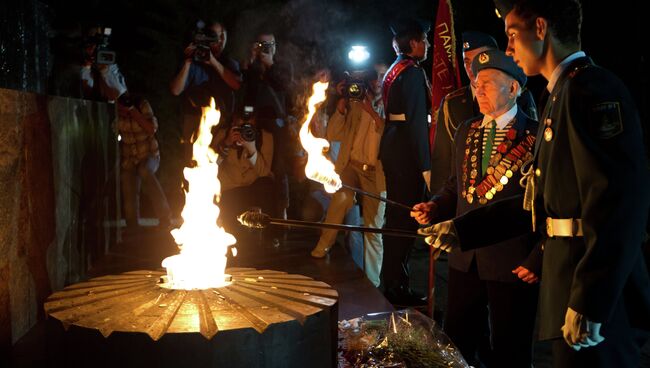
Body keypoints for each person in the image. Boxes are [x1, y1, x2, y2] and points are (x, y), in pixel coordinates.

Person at [422, 0, 650, 366]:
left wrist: (591, 297)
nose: (508, 47)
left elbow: (620, 205)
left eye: (513, 35)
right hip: (565, 281)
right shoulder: (557, 96)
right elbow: (537, 201)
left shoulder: (592, 90)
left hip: (587, 285)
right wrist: (462, 230)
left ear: (540, 29)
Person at [412, 49, 540, 367]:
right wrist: (436, 206)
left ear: (513, 89)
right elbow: (457, 186)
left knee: (511, 348)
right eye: (476, 83)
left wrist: (538, 257)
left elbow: (545, 204)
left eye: (487, 83)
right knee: (458, 341)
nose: (478, 90)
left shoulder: (536, 136)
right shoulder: (467, 131)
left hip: (511, 260)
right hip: (465, 258)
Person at [429, 31, 537, 194]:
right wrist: (437, 205)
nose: (472, 68)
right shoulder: (452, 104)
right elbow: (443, 162)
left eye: (478, 59)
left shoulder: (522, 98)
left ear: (513, 89)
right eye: (466, 61)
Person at [310, 69, 387, 288]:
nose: (378, 82)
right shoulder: (355, 100)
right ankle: (322, 247)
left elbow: (388, 130)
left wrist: (370, 111)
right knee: (341, 199)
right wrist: (341, 109)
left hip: (376, 173)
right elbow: (334, 134)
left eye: (383, 76)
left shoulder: (391, 104)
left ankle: (372, 281)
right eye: (375, 77)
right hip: (352, 167)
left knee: (374, 227)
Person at [378, 17, 432, 305]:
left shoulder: (396, 68)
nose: (428, 44)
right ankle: (396, 286)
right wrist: (426, 166)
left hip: (394, 146)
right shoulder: (410, 73)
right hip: (406, 153)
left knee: (396, 220)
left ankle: (392, 281)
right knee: (404, 221)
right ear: (413, 43)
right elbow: (416, 123)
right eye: (424, 39)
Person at [170, 20, 242, 162]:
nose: (220, 40)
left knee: (218, 170)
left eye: (223, 36)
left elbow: (236, 84)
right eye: (215, 36)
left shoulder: (228, 63)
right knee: (193, 167)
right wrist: (187, 62)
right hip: (195, 123)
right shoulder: (194, 62)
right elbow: (175, 90)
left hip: (222, 125)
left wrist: (213, 62)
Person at [242, 31, 294, 220]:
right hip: (257, 123)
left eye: (268, 44)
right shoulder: (253, 69)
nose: (265, 48)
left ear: (275, 46)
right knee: (257, 167)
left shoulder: (282, 67)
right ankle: (258, 212)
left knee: (278, 169)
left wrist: (268, 64)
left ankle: (281, 213)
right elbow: (247, 94)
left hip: (277, 124)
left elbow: (285, 87)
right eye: (261, 44)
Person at [213, 109, 276, 238]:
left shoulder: (265, 137)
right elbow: (210, 165)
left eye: (249, 127)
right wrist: (227, 143)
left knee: (267, 184)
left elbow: (264, 173)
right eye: (240, 127)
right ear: (233, 123)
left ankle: (269, 236)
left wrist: (251, 148)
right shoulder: (224, 135)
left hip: (252, 188)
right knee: (232, 232)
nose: (244, 131)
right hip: (228, 190)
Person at [116, 92, 172, 232]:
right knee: (127, 181)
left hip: (149, 155)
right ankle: (133, 226)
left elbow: (151, 129)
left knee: (144, 170)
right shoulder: (115, 110)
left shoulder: (142, 105)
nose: (121, 110)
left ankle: (165, 217)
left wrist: (132, 111)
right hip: (129, 158)